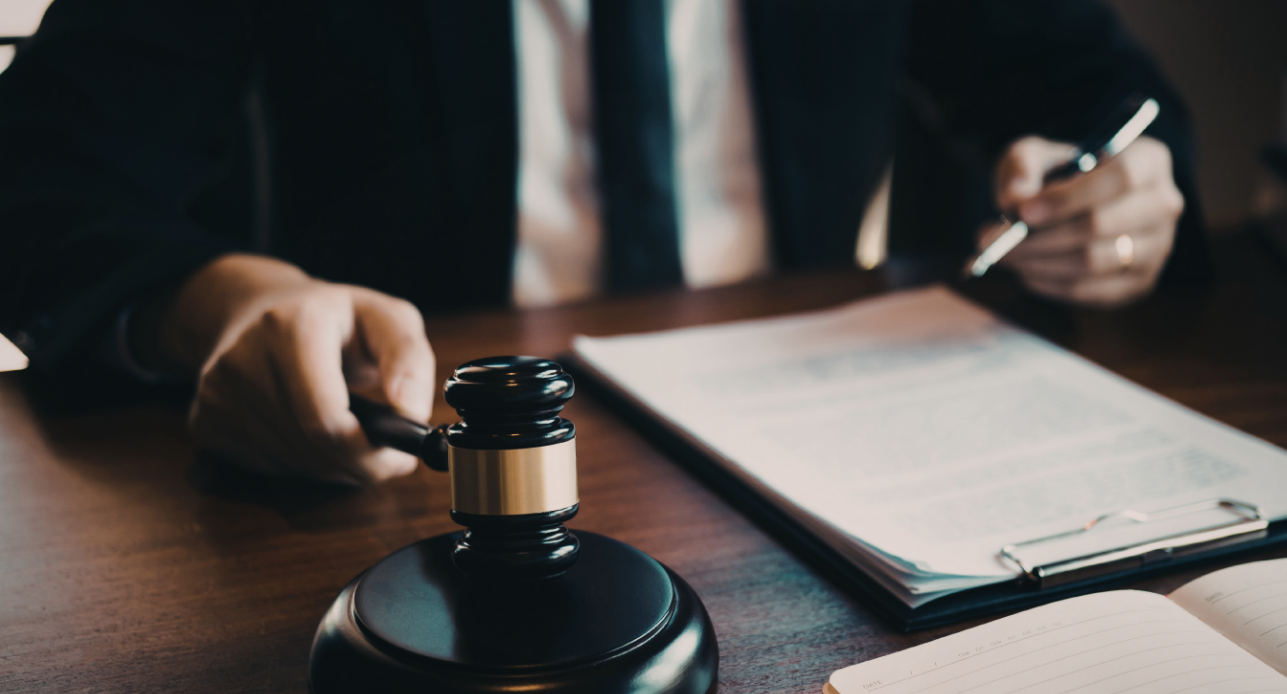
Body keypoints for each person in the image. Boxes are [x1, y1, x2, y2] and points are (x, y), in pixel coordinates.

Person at [0, 0, 1201, 485]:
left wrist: (1118, 194)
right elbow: (38, 170)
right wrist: (224, 303)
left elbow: (1106, 95)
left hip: (825, 459)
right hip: (402, 483)